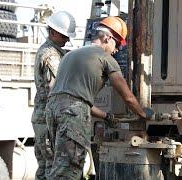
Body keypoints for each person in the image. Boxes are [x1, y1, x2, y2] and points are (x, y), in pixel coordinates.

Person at [45, 16, 153, 179]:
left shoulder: (69, 56)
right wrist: (143, 114)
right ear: (107, 37)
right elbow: (128, 97)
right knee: (69, 170)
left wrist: (106, 116)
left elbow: (74, 99)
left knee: (59, 165)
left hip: (52, 110)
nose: (117, 50)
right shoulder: (106, 58)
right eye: (117, 44)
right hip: (72, 114)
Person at [31, 11, 76, 180]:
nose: (67, 39)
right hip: (49, 121)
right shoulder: (51, 55)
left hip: (41, 119)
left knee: (44, 168)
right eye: (64, 35)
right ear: (53, 32)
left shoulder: (50, 51)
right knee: (53, 168)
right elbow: (56, 91)